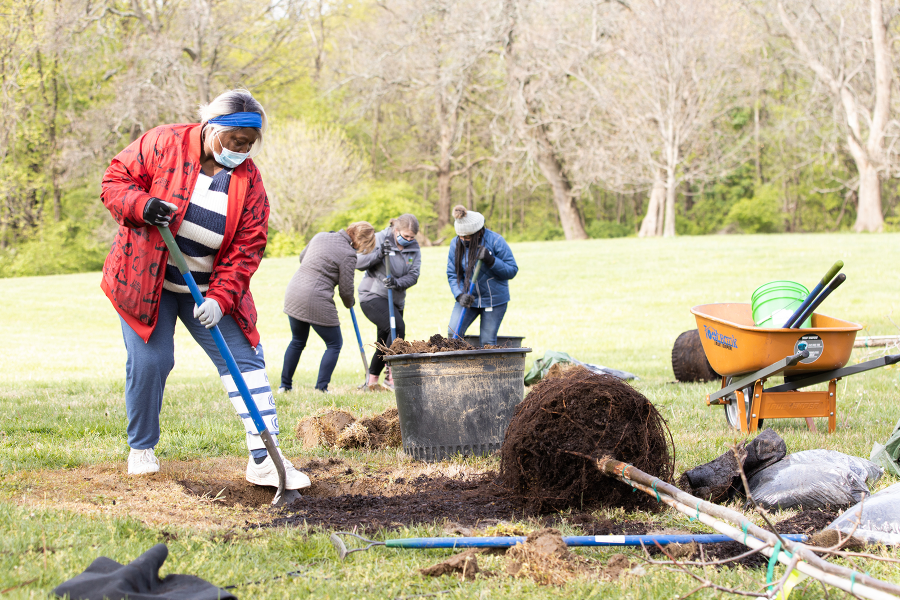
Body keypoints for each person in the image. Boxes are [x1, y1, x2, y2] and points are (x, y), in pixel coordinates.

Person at [100, 89, 310, 490]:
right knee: (152, 362)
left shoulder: (248, 178)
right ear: (214, 130)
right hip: (149, 282)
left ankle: (265, 460)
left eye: (250, 144)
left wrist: (219, 298)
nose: (243, 151)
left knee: (246, 363)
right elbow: (114, 181)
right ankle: (142, 448)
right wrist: (142, 205)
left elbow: (249, 245)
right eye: (237, 142)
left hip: (208, 287)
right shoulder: (165, 142)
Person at [280, 222, 376, 393]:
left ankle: (284, 386)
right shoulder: (348, 254)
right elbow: (346, 290)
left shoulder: (321, 235)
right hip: (316, 298)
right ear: (362, 241)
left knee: (297, 341)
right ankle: (321, 388)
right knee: (334, 343)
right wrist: (350, 303)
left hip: (294, 291)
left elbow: (303, 257)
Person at [356, 214, 422, 389]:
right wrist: (379, 254)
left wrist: (396, 283)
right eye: (404, 236)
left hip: (396, 299)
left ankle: (371, 382)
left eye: (411, 237)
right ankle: (392, 375)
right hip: (372, 295)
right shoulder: (379, 239)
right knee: (397, 328)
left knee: (385, 340)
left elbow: (414, 275)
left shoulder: (414, 248)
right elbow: (358, 262)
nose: (408, 240)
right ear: (396, 230)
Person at [447, 205, 518, 346]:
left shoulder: (496, 241)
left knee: (487, 342)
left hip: (494, 301)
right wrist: (459, 295)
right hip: (468, 298)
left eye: (466, 237)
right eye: (460, 236)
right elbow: (453, 274)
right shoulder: (456, 244)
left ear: (478, 233)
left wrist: (491, 260)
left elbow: (512, 270)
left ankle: (486, 367)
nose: (462, 240)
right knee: (452, 334)